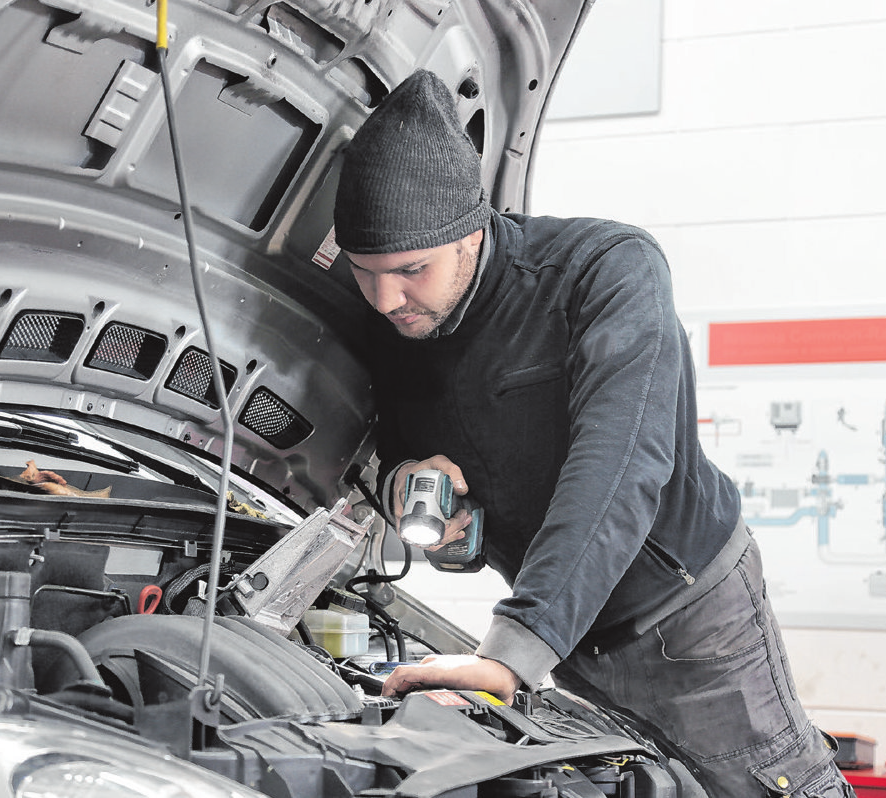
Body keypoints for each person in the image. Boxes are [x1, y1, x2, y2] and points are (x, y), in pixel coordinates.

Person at [333, 69, 853, 798]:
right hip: (563, 634)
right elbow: (390, 448)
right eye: (364, 273)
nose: (386, 299)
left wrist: (513, 652)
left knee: (766, 788)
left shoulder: (602, 272)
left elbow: (620, 463)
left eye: (410, 270)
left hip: (687, 620)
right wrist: (409, 494)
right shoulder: (393, 322)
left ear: (471, 231)